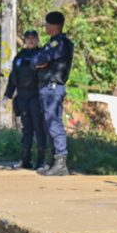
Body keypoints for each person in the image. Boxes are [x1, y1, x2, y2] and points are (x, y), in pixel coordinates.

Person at [33, 11, 74, 177]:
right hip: (47, 87)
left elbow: (39, 61)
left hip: (53, 87)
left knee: (54, 123)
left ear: (54, 25)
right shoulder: (52, 42)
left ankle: (60, 162)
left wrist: (40, 63)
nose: (45, 26)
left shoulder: (60, 43)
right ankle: (53, 161)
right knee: (48, 124)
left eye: (47, 24)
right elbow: (36, 62)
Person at [5, 30, 48, 170]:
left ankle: (41, 162)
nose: (30, 41)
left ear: (37, 39)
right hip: (23, 97)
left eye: (33, 38)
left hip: (37, 96)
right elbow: (13, 78)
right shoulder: (20, 56)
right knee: (26, 129)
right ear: (24, 40)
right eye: (28, 38)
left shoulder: (42, 54)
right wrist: (7, 95)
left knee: (39, 129)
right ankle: (25, 160)